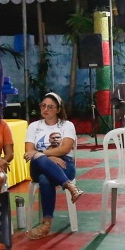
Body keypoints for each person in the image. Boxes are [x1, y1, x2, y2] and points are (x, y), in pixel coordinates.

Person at [24, 92, 82, 239]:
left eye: (50, 107)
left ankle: (46, 224)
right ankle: (69, 186)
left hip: (64, 163)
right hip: (37, 165)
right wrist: (49, 157)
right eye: (43, 105)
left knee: (45, 179)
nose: (45, 109)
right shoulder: (34, 126)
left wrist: (44, 154)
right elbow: (29, 152)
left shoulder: (67, 125)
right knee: (38, 160)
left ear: (58, 109)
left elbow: (66, 149)